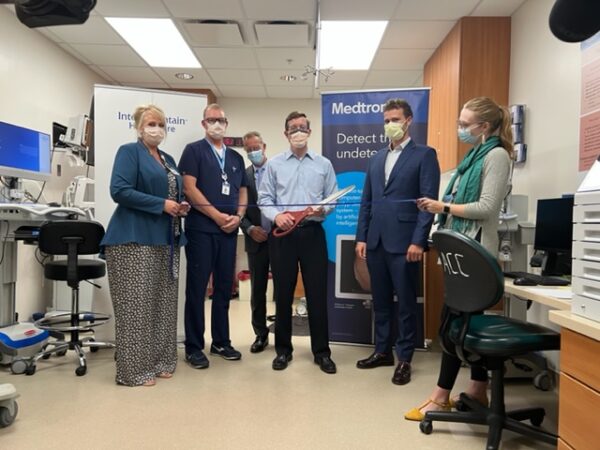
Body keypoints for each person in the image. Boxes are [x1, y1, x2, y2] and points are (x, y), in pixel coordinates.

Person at [405, 96, 513, 421]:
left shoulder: (496, 155)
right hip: (463, 253)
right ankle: (478, 388)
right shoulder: (473, 158)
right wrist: (441, 206)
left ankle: (440, 397)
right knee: (462, 324)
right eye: (460, 122)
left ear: (484, 126)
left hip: (476, 257)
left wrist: (444, 208)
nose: (460, 129)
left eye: (465, 125)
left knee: (453, 325)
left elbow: (487, 207)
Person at [102, 104, 190, 387]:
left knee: (163, 306)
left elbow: (172, 193)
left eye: (161, 124)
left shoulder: (168, 158)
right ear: (139, 127)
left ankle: (161, 361)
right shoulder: (129, 152)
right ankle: (134, 371)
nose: (157, 129)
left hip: (166, 240)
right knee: (136, 308)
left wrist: (179, 207)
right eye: (151, 124)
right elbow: (120, 191)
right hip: (133, 239)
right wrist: (162, 205)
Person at [355, 98, 441, 386]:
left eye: (395, 119)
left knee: (405, 303)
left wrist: (419, 241)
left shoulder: (424, 155)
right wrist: (361, 237)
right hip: (376, 241)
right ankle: (382, 351)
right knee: (380, 302)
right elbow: (366, 201)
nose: (390, 125)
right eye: (386, 120)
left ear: (408, 121)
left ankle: (404, 358)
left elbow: (427, 204)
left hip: (405, 244)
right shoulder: (376, 158)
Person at [258, 111, 338, 374]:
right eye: (293, 128)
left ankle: (322, 353)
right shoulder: (274, 165)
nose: (298, 132)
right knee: (283, 294)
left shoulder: (323, 164)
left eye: (303, 127)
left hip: (313, 234)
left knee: (317, 294)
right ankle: (283, 351)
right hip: (284, 236)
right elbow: (264, 199)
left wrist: (322, 210)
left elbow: (332, 198)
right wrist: (277, 216)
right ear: (285, 133)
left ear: (310, 131)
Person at [178, 103, 248, 369]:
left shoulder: (235, 158)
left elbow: (242, 191)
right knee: (197, 289)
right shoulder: (194, 151)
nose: (217, 124)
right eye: (212, 120)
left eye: (221, 120)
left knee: (223, 289)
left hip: (229, 231)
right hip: (202, 230)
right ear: (203, 123)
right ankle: (194, 346)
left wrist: (238, 218)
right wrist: (217, 217)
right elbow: (189, 188)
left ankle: (221, 341)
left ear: (226, 124)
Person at [240, 131, 275, 353]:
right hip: (256, 241)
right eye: (249, 149)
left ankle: (283, 335)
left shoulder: (278, 170)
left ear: (264, 146)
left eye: (257, 147)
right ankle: (260, 335)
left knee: (283, 289)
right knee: (258, 290)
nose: (254, 152)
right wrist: (250, 229)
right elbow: (237, 210)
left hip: (281, 239)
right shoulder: (242, 176)